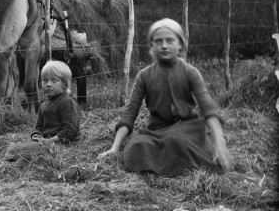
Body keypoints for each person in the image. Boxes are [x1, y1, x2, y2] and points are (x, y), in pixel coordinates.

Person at [98, 18, 232, 176]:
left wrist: (220, 143)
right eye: (158, 41)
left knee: (178, 141)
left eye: (169, 40)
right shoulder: (144, 75)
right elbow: (130, 113)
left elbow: (208, 109)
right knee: (135, 147)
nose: (164, 46)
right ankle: (172, 163)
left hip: (187, 129)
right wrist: (115, 147)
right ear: (152, 46)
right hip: (156, 131)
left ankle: (174, 163)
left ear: (180, 44)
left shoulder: (190, 72)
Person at [0, 60, 81, 161]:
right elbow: (39, 127)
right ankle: (10, 155)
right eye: (45, 80)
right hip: (45, 143)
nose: (48, 84)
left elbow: (70, 130)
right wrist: (36, 135)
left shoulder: (67, 102)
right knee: (20, 147)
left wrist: (50, 141)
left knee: (20, 149)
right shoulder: (44, 105)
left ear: (64, 84)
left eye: (54, 81)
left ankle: (9, 157)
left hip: (63, 145)